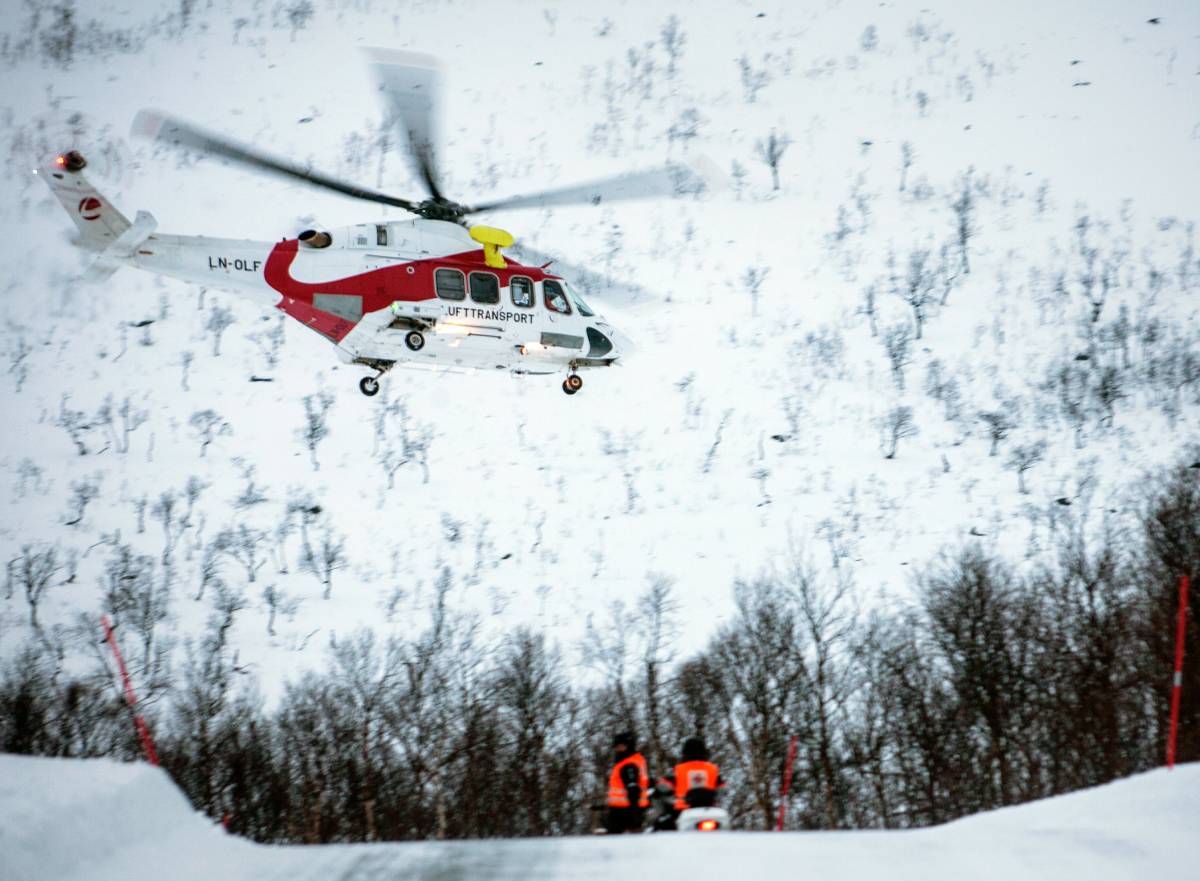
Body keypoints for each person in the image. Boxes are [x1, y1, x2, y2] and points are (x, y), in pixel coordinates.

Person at [604, 730, 650, 834]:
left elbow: (633, 789)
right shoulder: (635, 761)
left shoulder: (628, 764)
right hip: (626, 809)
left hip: (624, 811)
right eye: (616, 747)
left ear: (629, 746)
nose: (618, 750)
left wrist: (635, 811)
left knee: (616, 843)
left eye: (621, 746)